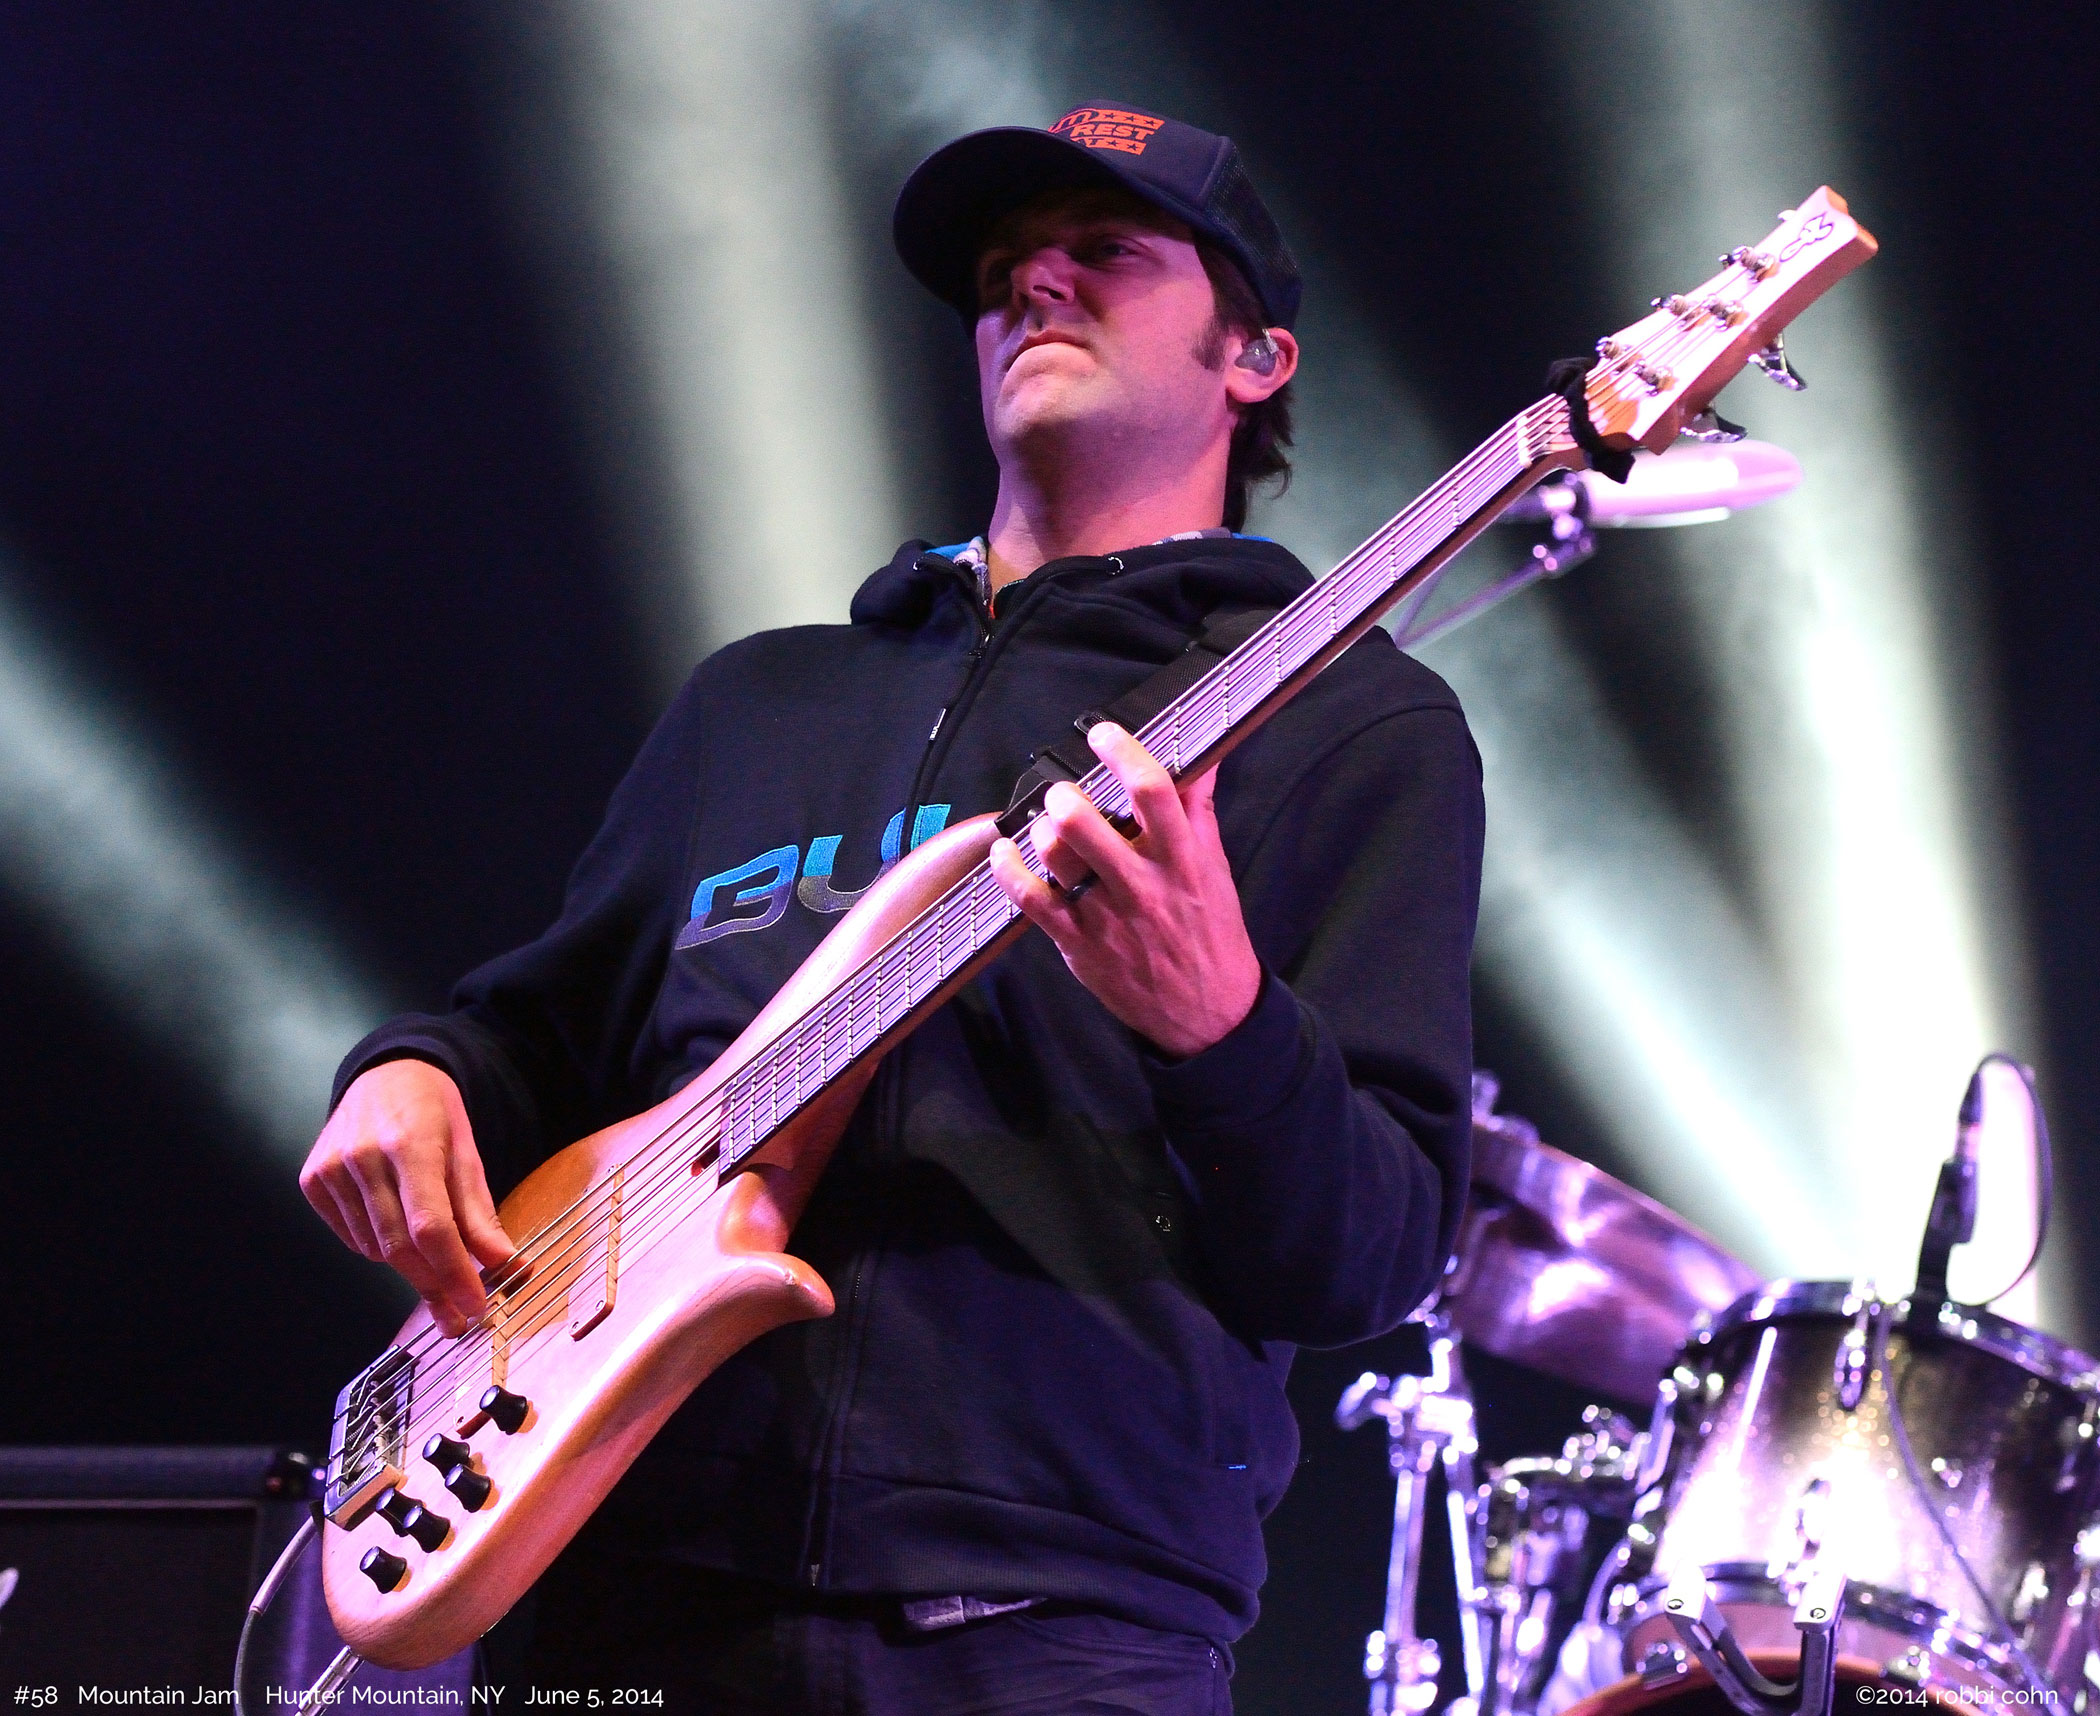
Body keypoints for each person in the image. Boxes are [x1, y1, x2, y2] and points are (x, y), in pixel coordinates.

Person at [301, 102, 1484, 1714]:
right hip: (626, 1602)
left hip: (1054, 1632)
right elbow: (533, 1038)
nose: (1032, 287)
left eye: (1105, 251)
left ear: (1254, 358)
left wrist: (1220, 1029)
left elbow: (1369, 1258)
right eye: (1003, 270)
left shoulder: (1349, 725)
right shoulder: (758, 703)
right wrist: (412, 1072)